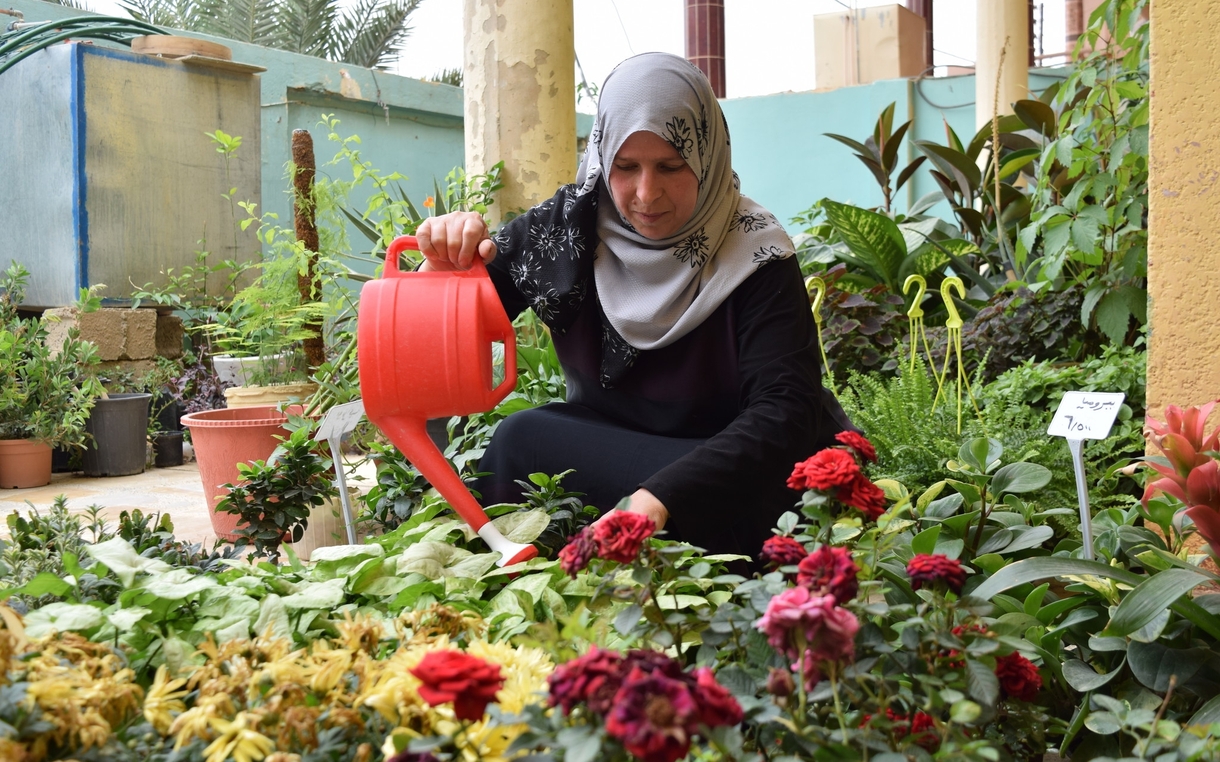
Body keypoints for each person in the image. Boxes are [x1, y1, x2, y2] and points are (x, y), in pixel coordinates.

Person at [415, 52, 852, 560]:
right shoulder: (566, 231)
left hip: (735, 466)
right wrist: (445, 265)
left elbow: (784, 411)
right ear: (603, 158)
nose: (647, 193)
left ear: (707, 156)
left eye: (670, 166)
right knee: (520, 439)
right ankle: (510, 583)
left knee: (777, 497)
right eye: (626, 167)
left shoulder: (755, 254)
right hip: (621, 452)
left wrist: (660, 498)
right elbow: (439, 339)